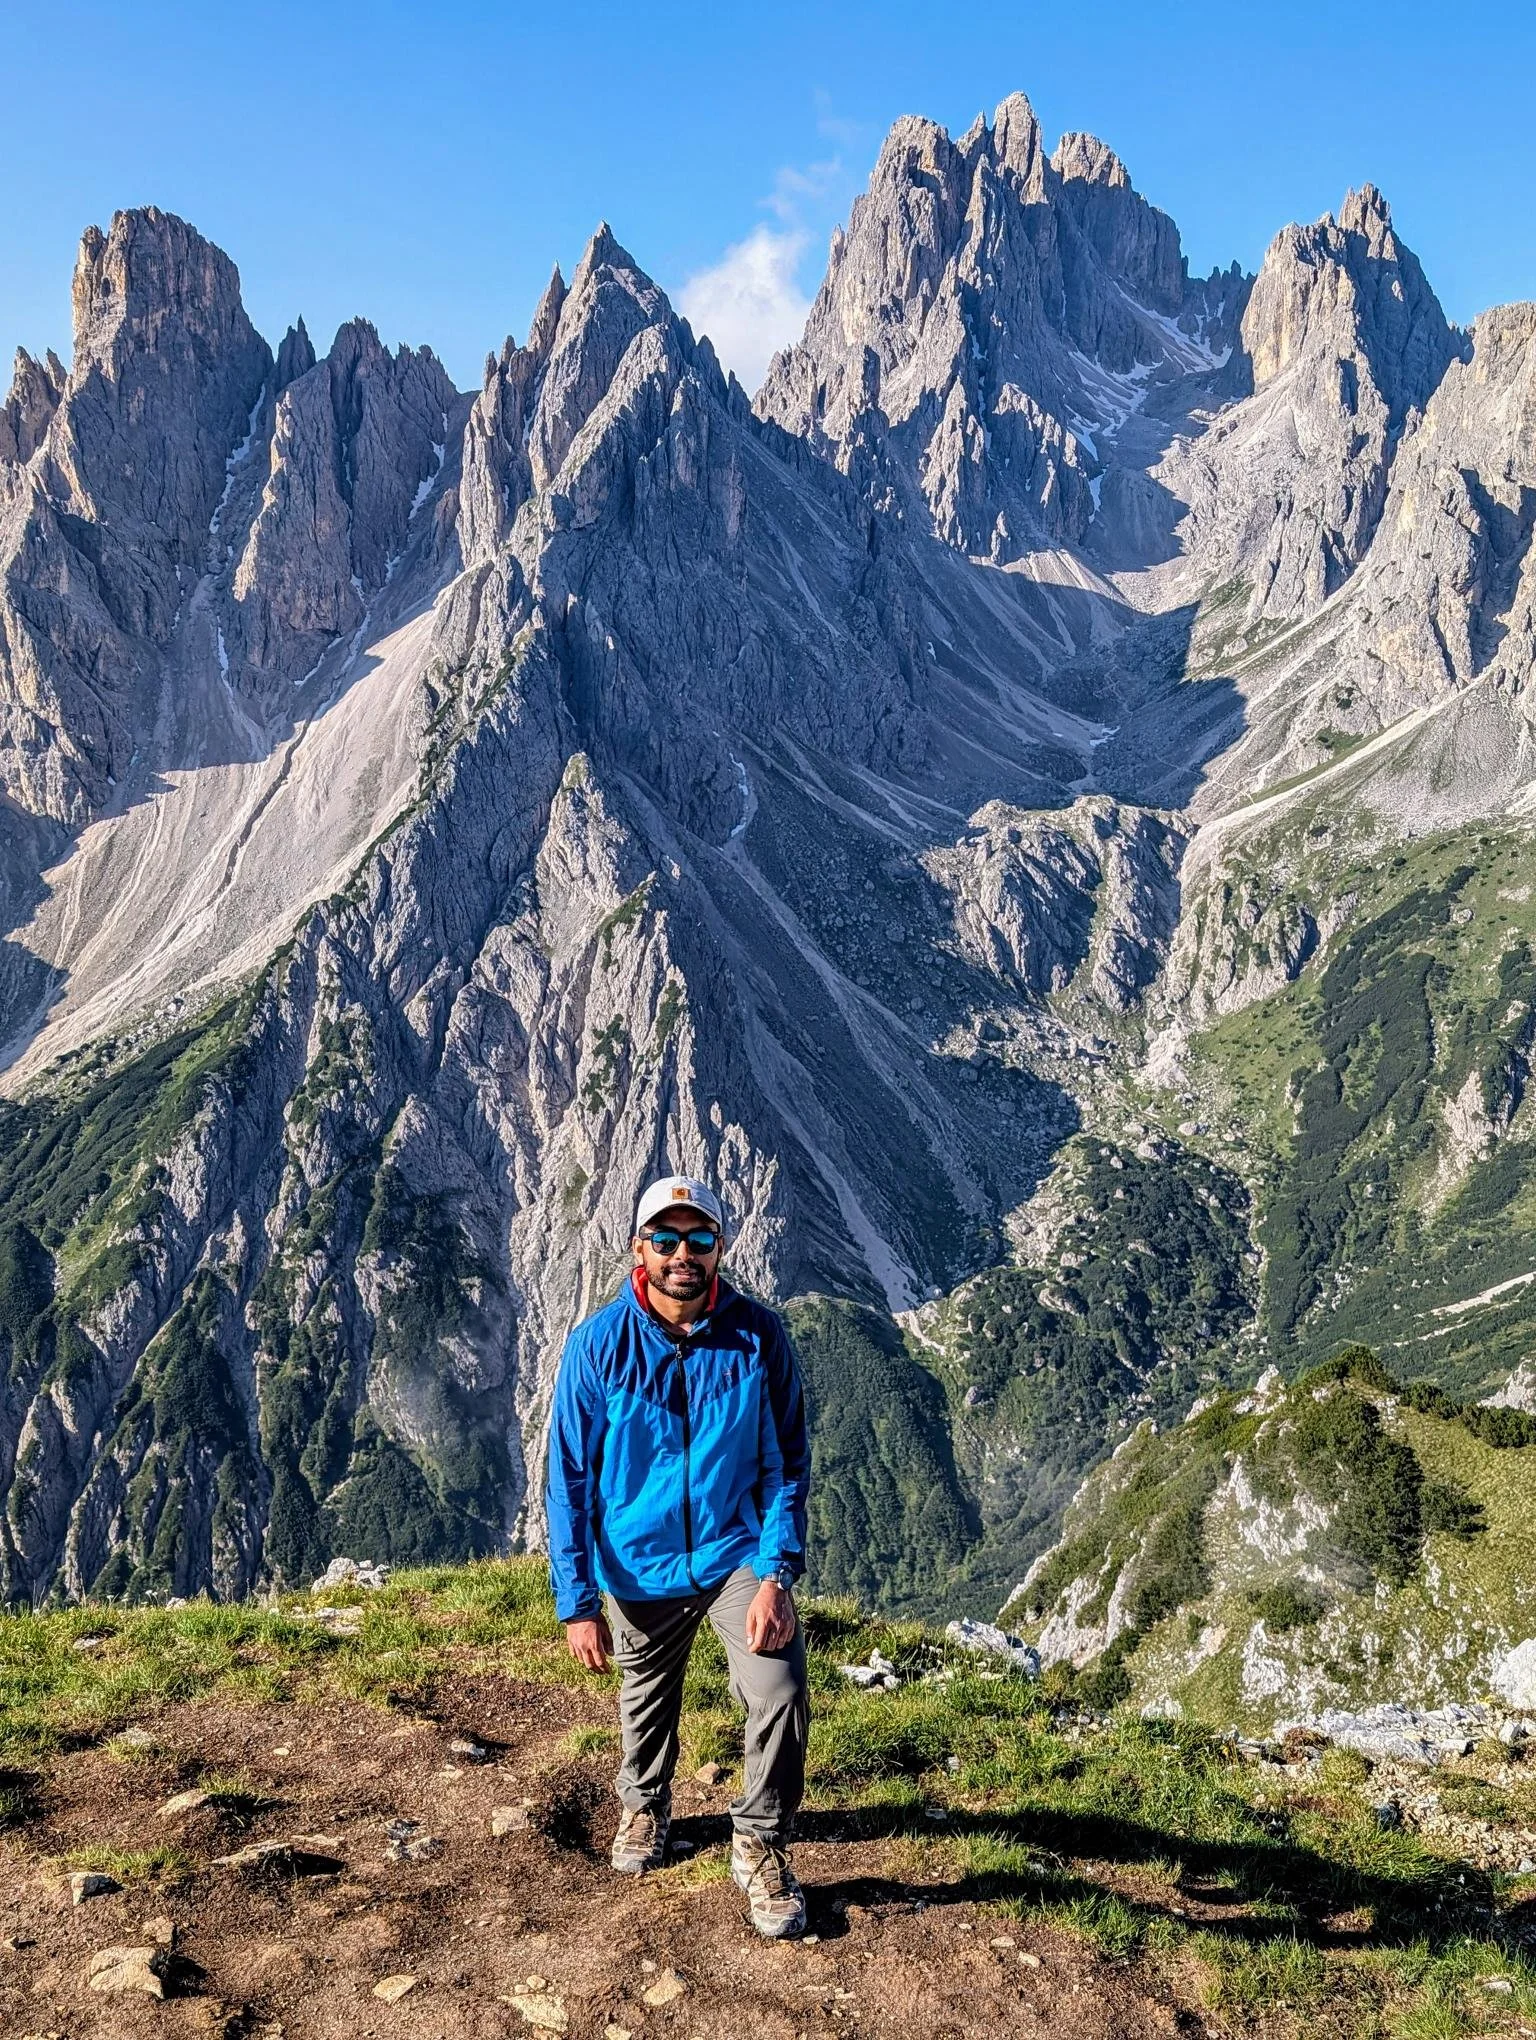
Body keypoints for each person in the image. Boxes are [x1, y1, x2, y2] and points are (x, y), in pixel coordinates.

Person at [546, 1172, 811, 1938]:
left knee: (782, 1688)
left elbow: (787, 1461)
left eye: (698, 1240)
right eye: (666, 1240)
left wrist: (775, 1573)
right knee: (645, 1705)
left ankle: (759, 1842)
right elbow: (566, 1478)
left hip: (735, 1556)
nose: (682, 1255)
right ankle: (644, 1805)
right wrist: (578, 1600)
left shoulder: (759, 1336)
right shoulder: (599, 1346)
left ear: (720, 1248)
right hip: (636, 1564)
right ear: (640, 1249)